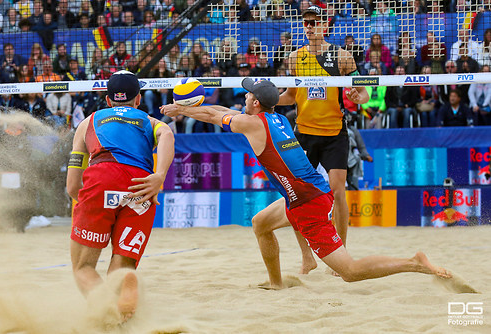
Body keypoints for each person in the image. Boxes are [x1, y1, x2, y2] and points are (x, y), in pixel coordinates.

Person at [161, 77, 452, 289]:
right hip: (302, 195)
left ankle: (414, 262)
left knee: (349, 271)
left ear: (256, 103)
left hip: (308, 202)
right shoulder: (277, 119)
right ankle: (276, 283)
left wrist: (182, 109)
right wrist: (186, 109)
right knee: (261, 224)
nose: (244, 96)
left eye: (248, 95)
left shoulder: (253, 123)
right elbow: (222, 113)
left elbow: (214, 114)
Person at [251, 6, 370, 277]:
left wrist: (356, 96)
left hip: (334, 133)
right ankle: (307, 257)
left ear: (324, 25)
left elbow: (363, 94)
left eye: (314, 22)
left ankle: (342, 251)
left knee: (338, 192)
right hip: (304, 133)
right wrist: (263, 99)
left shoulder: (341, 57)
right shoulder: (295, 58)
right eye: (306, 23)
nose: (309, 27)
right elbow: (291, 96)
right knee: (297, 197)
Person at [66, 70, 174, 321]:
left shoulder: (87, 122)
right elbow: (167, 134)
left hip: (101, 179)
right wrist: (159, 176)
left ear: (107, 100)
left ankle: (107, 308)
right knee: (122, 266)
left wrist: (93, 205)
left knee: (83, 267)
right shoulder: (147, 120)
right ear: (138, 99)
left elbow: (72, 186)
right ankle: (122, 311)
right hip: (141, 185)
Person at [346, 123, 373, 190]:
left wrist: (365, 155)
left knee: (353, 188)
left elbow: (361, 146)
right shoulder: (332, 129)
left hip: (351, 162)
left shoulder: (352, 130)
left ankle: (354, 199)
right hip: (336, 163)